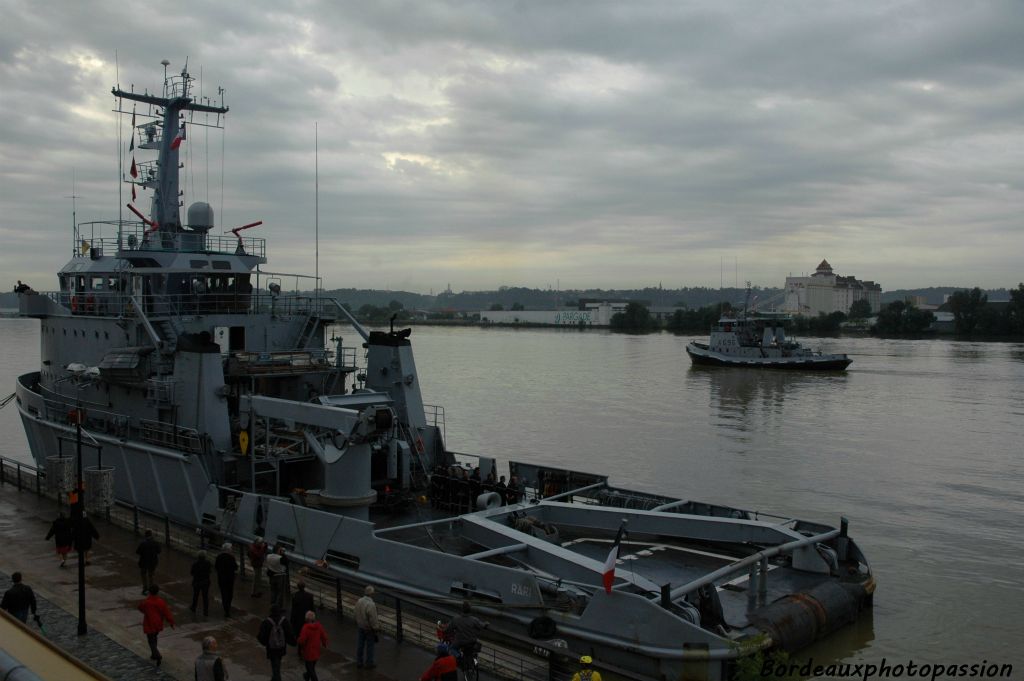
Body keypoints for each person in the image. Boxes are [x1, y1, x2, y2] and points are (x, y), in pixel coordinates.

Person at [138, 584, 174, 666]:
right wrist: (171, 622)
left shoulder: (147, 602)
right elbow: (166, 613)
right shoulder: (161, 602)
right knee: (154, 638)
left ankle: (157, 654)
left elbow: (140, 607)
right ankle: (154, 654)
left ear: (150, 592)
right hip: (158, 624)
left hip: (150, 624)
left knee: (151, 640)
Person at [258, 604, 295, 681]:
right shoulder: (284, 621)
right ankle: (275, 677)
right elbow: (290, 633)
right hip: (281, 647)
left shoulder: (266, 622)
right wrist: (293, 642)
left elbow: (261, 636)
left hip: (271, 648)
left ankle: (276, 678)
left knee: (274, 665)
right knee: (278, 664)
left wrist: (265, 643)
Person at [297, 610, 328, 681]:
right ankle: (306, 676)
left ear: (306, 619)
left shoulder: (305, 628)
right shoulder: (319, 626)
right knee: (311, 668)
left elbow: (302, 640)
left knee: (310, 670)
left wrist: (298, 640)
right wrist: (324, 643)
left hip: (308, 652)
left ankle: (309, 677)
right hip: (316, 651)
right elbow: (324, 636)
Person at [354, 585, 379, 669]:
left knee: (360, 644)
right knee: (370, 646)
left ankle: (359, 661)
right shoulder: (371, 605)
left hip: (360, 626)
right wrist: (376, 628)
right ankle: (369, 663)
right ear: (372, 594)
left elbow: (356, 612)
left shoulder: (359, 601)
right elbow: (373, 618)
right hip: (369, 628)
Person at [289, 580, 315, 647]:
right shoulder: (310, 596)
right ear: (304, 587)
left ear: (298, 587)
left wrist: (292, 620)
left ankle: (300, 649)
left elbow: (293, 609)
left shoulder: (295, 596)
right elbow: (312, 608)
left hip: (297, 618)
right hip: (307, 618)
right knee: (306, 633)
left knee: (298, 634)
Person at [214, 542, 237, 617]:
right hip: (230, 578)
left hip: (221, 578)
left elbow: (216, 566)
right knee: (230, 593)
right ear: (229, 549)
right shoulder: (232, 558)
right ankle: (228, 607)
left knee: (224, 593)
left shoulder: (219, 557)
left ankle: (226, 608)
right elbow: (236, 567)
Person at [137, 529, 161, 595]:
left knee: (144, 575)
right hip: (153, 562)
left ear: (145, 535)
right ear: (151, 535)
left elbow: (138, 552)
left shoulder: (143, 543)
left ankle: (145, 588)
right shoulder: (155, 542)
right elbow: (159, 551)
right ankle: (151, 588)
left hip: (144, 562)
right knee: (151, 575)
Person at [190, 550, 212, 616]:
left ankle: (193, 607)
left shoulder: (195, 564)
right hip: (205, 582)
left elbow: (192, 573)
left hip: (197, 581)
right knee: (205, 596)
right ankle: (206, 611)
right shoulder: (208, 563)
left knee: (195, 595)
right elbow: (210, 571)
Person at [266, 545, 289, 610]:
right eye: (280, 550)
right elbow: (287, 562)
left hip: (272, 576)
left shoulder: (268, 556)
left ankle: (272, 605)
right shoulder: (280, 558)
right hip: (280, 576)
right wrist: (283, 553)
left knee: (273, 591)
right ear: (278, 551)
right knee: (280, 593)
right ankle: (278, 607)